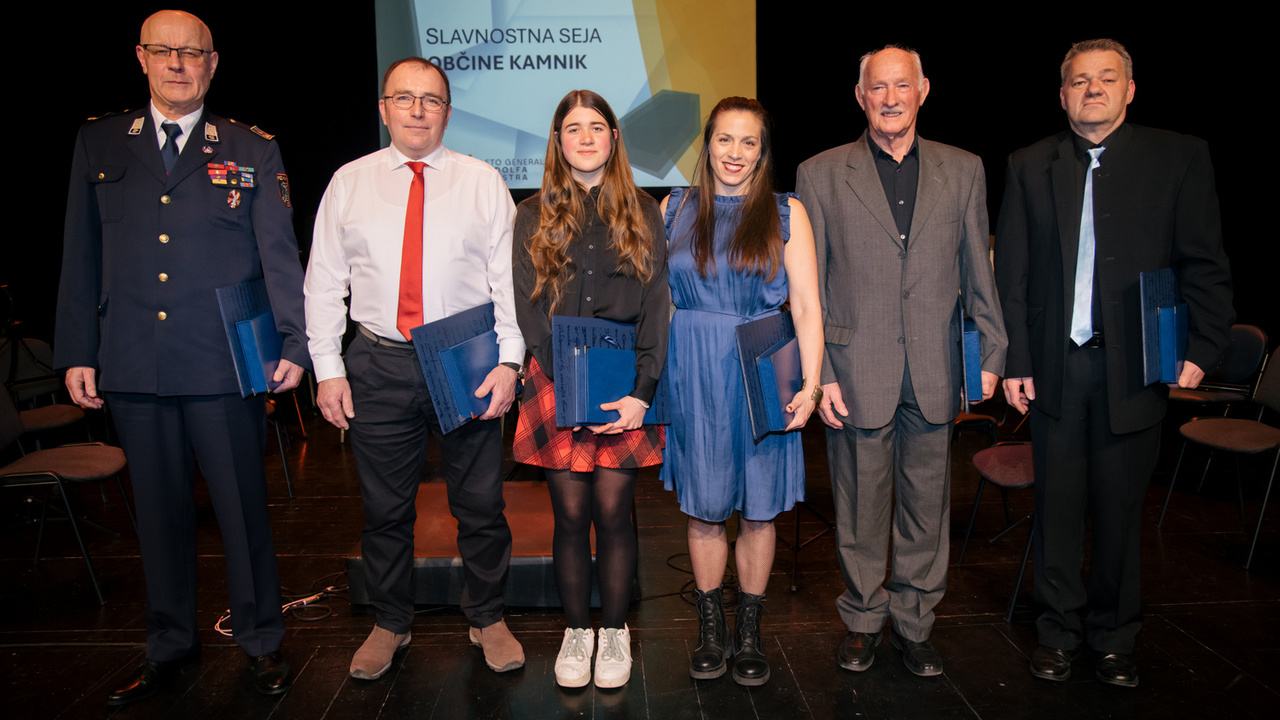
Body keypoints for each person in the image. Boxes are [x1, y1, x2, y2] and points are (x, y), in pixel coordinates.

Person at [54, 10, 305, 706]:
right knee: (159, 519)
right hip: (134, 362)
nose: (178, 63)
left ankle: (260, 642)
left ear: (213, 63)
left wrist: (293, 342)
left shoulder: (251, 149)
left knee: (242, 511)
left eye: (191, 53)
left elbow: (279, 258)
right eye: (164, 51)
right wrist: (77, 350)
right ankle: (169, 647)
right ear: (140, 57)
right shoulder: (100, 142)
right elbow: (81, 255)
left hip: (225, 363)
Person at [994, 39, 1232, 688]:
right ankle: (1057, 633)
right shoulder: (1028, 164)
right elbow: (1010, 275)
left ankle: (1114, 638)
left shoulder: (1178, 157)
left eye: (1105, 79)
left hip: (1139, 367)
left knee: (1122, 512)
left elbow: (1203, 263)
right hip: (1054, 370)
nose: (1091, 89)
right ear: (1062, 94)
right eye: (1078, 81)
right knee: (1060, 510)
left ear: (1130, 89)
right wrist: (1014, 358)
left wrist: (1201, 348)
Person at [304, 57, 525, 681]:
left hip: (465, 360)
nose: (419, 110)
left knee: (480, 504)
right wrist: (328, 367)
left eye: (431, 100)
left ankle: (488, 617)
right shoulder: (349, 182)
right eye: (405, 98)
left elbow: (506, 284)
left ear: (448, 111)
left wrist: (510, 362)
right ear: (384, 108)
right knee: (384, 510)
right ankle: (390, 622)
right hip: (377, 361)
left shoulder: (483, 182)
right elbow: (324, 282)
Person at [796, 45, 1007, 678]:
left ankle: (916, 624)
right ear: (859, 97)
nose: (890, 97)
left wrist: (990, 350)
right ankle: (862, 620)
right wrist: (822, 372)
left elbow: (977, 268)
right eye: (877, 88)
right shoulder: (821, 173)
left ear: (923, 91)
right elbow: (810, 287)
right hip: (855, 369)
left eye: (901, 86)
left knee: (927, 504)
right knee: (860, 506)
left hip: (938, 365)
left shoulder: (963, 169)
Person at [662, 96, 823, 687]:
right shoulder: (674, 208)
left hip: (763, 365)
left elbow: (805, 305)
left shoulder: (787, 213)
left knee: (758, 508)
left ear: (762, 151)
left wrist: (809, 384)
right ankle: (711, 630)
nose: (735, 152)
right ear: (708, 145)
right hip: (695, 369)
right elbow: (656, 304)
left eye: (748, 142)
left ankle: (749, 631)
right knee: (704, 508)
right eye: (724, 140)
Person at [511, 90, 669, 689]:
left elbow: (658, 303)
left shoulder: (645, 211)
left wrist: (642, 390)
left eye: (596, 127)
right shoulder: (531, 213)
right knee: (571, 516)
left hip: (626, 385)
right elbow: (528, 305)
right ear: (558, 141)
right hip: (557, 380)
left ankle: (615, 632)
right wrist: (569, 382)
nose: (585, 137)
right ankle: (577, 633)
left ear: (613, 138)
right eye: (572, 128)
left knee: (614, 513)